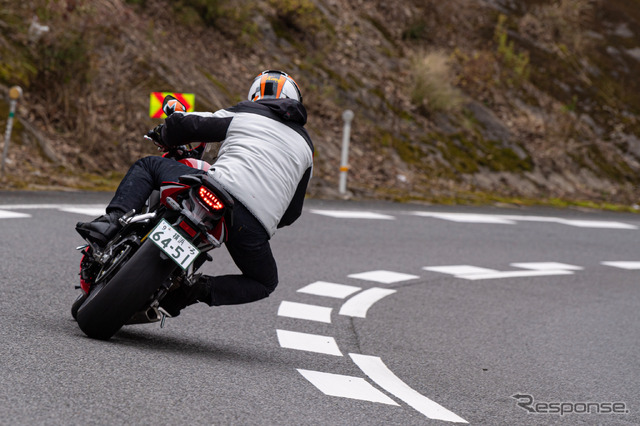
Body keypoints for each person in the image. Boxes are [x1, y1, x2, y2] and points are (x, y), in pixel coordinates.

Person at [76, 70, 314, 316]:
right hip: (252, 224)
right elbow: (292, 213)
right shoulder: (307, 148)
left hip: (220, 185)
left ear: (255, 95)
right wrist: (264, 218)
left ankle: (112, 223)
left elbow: (191, 124)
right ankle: (193, 290)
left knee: (147, 165)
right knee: (265, 282)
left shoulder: (247, 112)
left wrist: (165, 133)